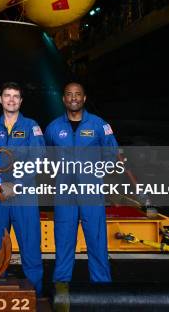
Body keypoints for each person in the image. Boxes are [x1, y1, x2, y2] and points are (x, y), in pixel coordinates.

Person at [44, 82, 117, 284]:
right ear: (63, 99)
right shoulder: (53, 128)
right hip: (64, 194)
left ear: (84, 98)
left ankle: (102, 286)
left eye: (77, 94)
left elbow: (112, 155)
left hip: (91, 193)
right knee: (64, 239)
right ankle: (61, 286)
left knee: (96, 239)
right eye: (69, 94)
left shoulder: (99, 125)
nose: (73, 98)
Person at [0, 82, 44, 294]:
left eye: (16, 96)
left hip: (24, 197)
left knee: (30, 246)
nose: (11, 100)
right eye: (7, 95)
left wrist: (17, 184)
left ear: (21, 101)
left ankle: (35, 295)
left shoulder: (31, 126)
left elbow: (38, 158)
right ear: (0, 99)